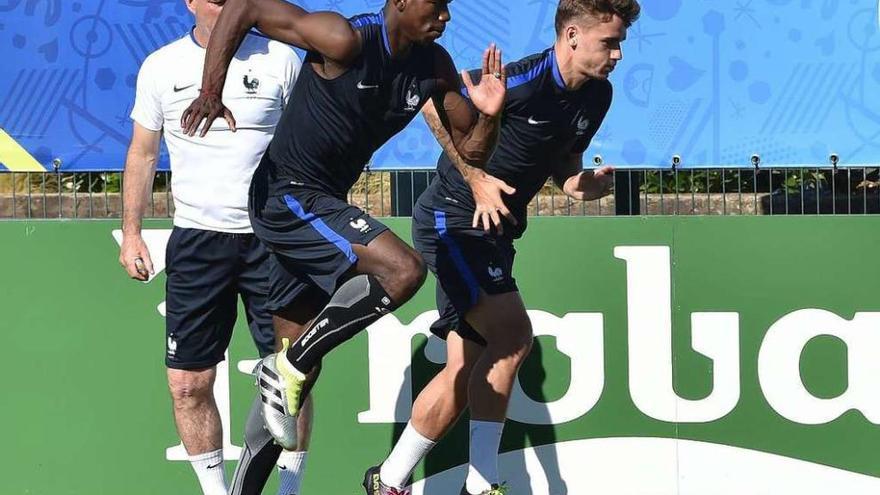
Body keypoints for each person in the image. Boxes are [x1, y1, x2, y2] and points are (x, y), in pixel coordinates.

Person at [179, 1, 510, 492]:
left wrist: (489, 115)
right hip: (284, 194)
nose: (444, 15)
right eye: (434, 4)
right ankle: (286, 367)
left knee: (290, 390)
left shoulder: (432, 65)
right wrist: (211, 91)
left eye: (449, 6)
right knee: (404, 272)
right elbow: (244, 7)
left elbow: (472, 150)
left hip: (320, 205)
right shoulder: (345, 39)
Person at [369, 1, 641, 494]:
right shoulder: (523, 79)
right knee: (514, 337)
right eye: (610, 42)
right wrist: (474, 177)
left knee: (465, 367)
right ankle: (481, 482)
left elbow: (566, 170)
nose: (618, 54)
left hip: (496, 234)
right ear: (573, 35)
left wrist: (584, 186)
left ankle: (387, 481)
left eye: (621, 42)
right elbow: (432, 100)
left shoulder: (597, 96)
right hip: (453, 218)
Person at [118, 1, 310, 494]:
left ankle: (289, 490)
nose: (222, 5)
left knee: (291, 376)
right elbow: (143, 151)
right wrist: (133, 232)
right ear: (190, 2)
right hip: (197, 242)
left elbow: (313, 147)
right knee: (187, 384)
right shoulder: (161, 66)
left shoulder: (281, 59)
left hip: (274, 239)